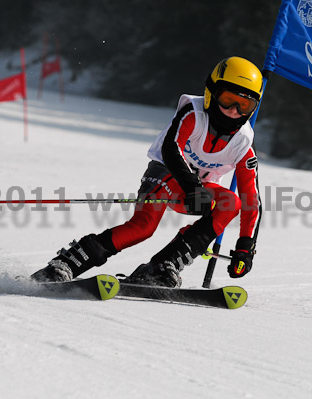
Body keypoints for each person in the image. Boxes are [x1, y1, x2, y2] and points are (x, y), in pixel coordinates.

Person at [31, 56, 263, 288]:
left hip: (196, 192)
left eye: (245, 105)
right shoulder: (193, 114)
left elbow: (250, 198)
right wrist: (192, 186)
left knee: (230, 202)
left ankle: (163, 266)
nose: (234, 111)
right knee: (143, 227)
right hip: (163, 175)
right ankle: (67, 264)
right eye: (228, 99)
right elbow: (171, 149)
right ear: (212, 93)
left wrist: (245, 246)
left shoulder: (243, 143)